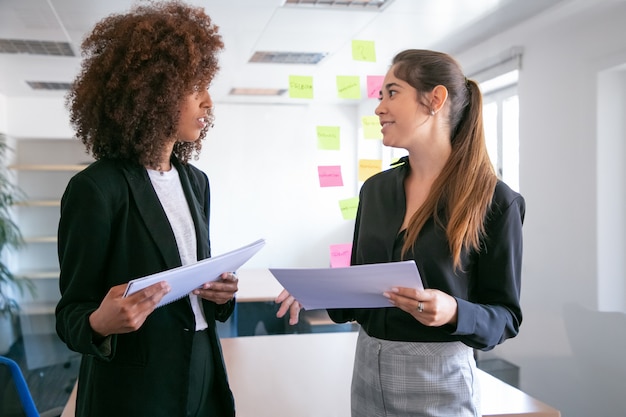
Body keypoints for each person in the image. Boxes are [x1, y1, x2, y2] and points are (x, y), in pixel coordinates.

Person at [276, 49, 525, 417]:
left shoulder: (496, 201)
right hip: (366, 367)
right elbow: (360, 295)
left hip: (439, 378)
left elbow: (506, 316)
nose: (379, 108)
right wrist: (316, 290)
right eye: (380, 96)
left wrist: (453, 310)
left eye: (392, 93)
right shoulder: (375, 191)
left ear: (435, 100)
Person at [55, 2, 237, 416]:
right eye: (197, 88)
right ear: (155, 90)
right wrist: (99, 323)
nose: (208, 102)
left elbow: (192, 278)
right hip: (136, 390)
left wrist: (221, 295)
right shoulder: (96, 190)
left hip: (204, 369)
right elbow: (71, 313)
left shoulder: (196, 182)